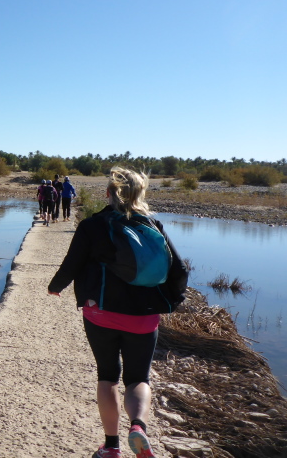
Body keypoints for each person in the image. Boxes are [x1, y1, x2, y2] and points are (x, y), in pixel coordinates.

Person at [47, 166, 188, 458]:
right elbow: (179, 269)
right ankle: (138, 427)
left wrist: (55, 287)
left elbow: (71, 264)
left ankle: (111, 447)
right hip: (144, 317)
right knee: (138, 379)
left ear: (108, 193)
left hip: (101, 314)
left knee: (108, 376)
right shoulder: (153, 225)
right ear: (140, 194)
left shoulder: (92, 225)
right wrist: (171, 301)